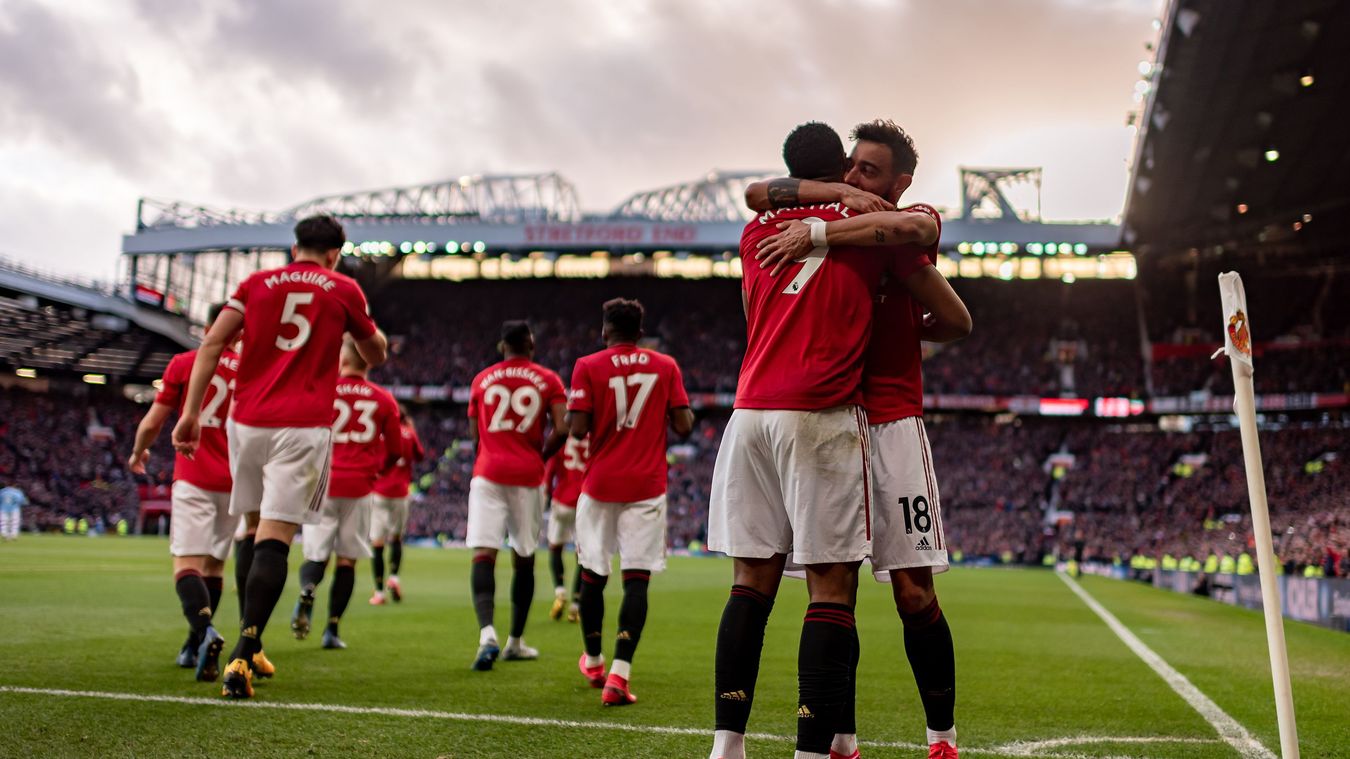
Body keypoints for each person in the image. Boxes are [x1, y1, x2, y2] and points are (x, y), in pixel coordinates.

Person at [707, 121, 937, 759]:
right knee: (831, 587)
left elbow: (759, 195)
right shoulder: (868, 225)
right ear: (842, 166)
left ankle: (727, 745)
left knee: (750, 582)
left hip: (748, 412)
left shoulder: (757, 231)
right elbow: (917, 247)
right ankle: (817, 750)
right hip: (819, 410)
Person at [172, 214, 387, 699]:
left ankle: (255, 643)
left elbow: (211, 344)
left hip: (245, 423)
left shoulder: (254, 284)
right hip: (302, 425)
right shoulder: (342, 288)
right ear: (334, 254)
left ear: (295, 248)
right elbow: (373, 354)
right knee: (276, 536)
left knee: (252, 528)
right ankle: (243, 656)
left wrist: (190, 414)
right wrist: (373, 340)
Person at [568, 298, 694, 706]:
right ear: (640, 333)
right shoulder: (665, 366)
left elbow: (577, 428)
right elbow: (684, 426)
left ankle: (592, 658)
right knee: (636, 580)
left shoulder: (587, 366)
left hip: (601, 484)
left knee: (592, 574)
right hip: (646, 486)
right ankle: (619, 675)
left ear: (605, 331)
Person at [128, 303, 240, 682]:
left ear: (208, 327)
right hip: (235, 481)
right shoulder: (252, 370)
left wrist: (138, 450)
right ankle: (194, 644)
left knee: (186, 565)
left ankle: (204, 632)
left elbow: (154, 419)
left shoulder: (184, 363)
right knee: (215, 567)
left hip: (194, 475)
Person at [465, 320, 569, 670]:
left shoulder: (482, 379)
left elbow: (475, 434)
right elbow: (564, 427)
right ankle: (515, 642)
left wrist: (489, 456)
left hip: (488, 473)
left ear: (502, 346)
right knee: (523, 556)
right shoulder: (549, 379)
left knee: (484, 554)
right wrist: (539, 455)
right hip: (527, 475)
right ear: (531, 345)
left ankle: (487, 635)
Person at [291, 337, 401, 649]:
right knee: (347, 560)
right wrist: (376, 469)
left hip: (322, 484)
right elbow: (396, 450)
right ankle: (332, 629)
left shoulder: (324, 390)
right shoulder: (383, 399)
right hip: (360, 486)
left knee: (316, 554)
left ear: (345, 358)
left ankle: (308, 589)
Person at [369, 404, 425, 605]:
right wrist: (412, 431)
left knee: (377, 543)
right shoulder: (409, 433)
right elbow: (420, 455)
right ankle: (394, 578)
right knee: (396, 538)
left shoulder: (381, 433)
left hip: (380, 492)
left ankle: (379, 593)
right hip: (401, 492)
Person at [544, 434, 589, 622]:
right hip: (584, 501)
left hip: (562, 500)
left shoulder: (560, 436)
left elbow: (550, 470)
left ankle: (560, 591)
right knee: (583, 556)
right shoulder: (592, 437)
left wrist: (546, 495)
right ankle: (576, 605)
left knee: (555, 547)